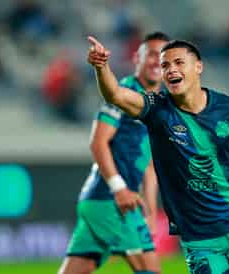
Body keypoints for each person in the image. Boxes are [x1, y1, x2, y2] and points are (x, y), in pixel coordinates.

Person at [87, 37, 229, 274]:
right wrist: (101, 67)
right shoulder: (156, 109)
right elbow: (116, 95)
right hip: (199, 239)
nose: (171, 70)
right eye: (165, 65)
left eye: (179, 63)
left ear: (198, 67)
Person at [58, 32, 170, 274]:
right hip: (111, 200)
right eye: (150, 54)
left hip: (104, 202)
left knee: (77, 268)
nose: (156, 61)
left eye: (163, 57)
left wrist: (151, 211)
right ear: (136, 58)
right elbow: (98, 143)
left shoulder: (160, 103)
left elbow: (149, 165)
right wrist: (118, 188)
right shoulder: (125, 91)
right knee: (149, 270)